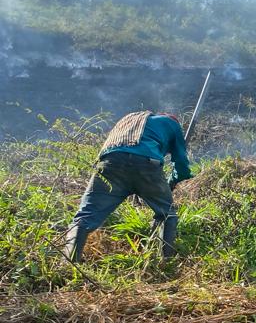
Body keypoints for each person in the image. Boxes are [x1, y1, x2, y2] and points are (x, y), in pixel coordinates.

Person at [64, 110, 192, 262]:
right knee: (167, 215)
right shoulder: (172, 123)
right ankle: (164, 262)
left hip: (109, 164)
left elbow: (124, 151)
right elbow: (182, 166)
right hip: (146, 165)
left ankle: (68, 263)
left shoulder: (130, 120)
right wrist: (171, 182)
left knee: (85, 216)